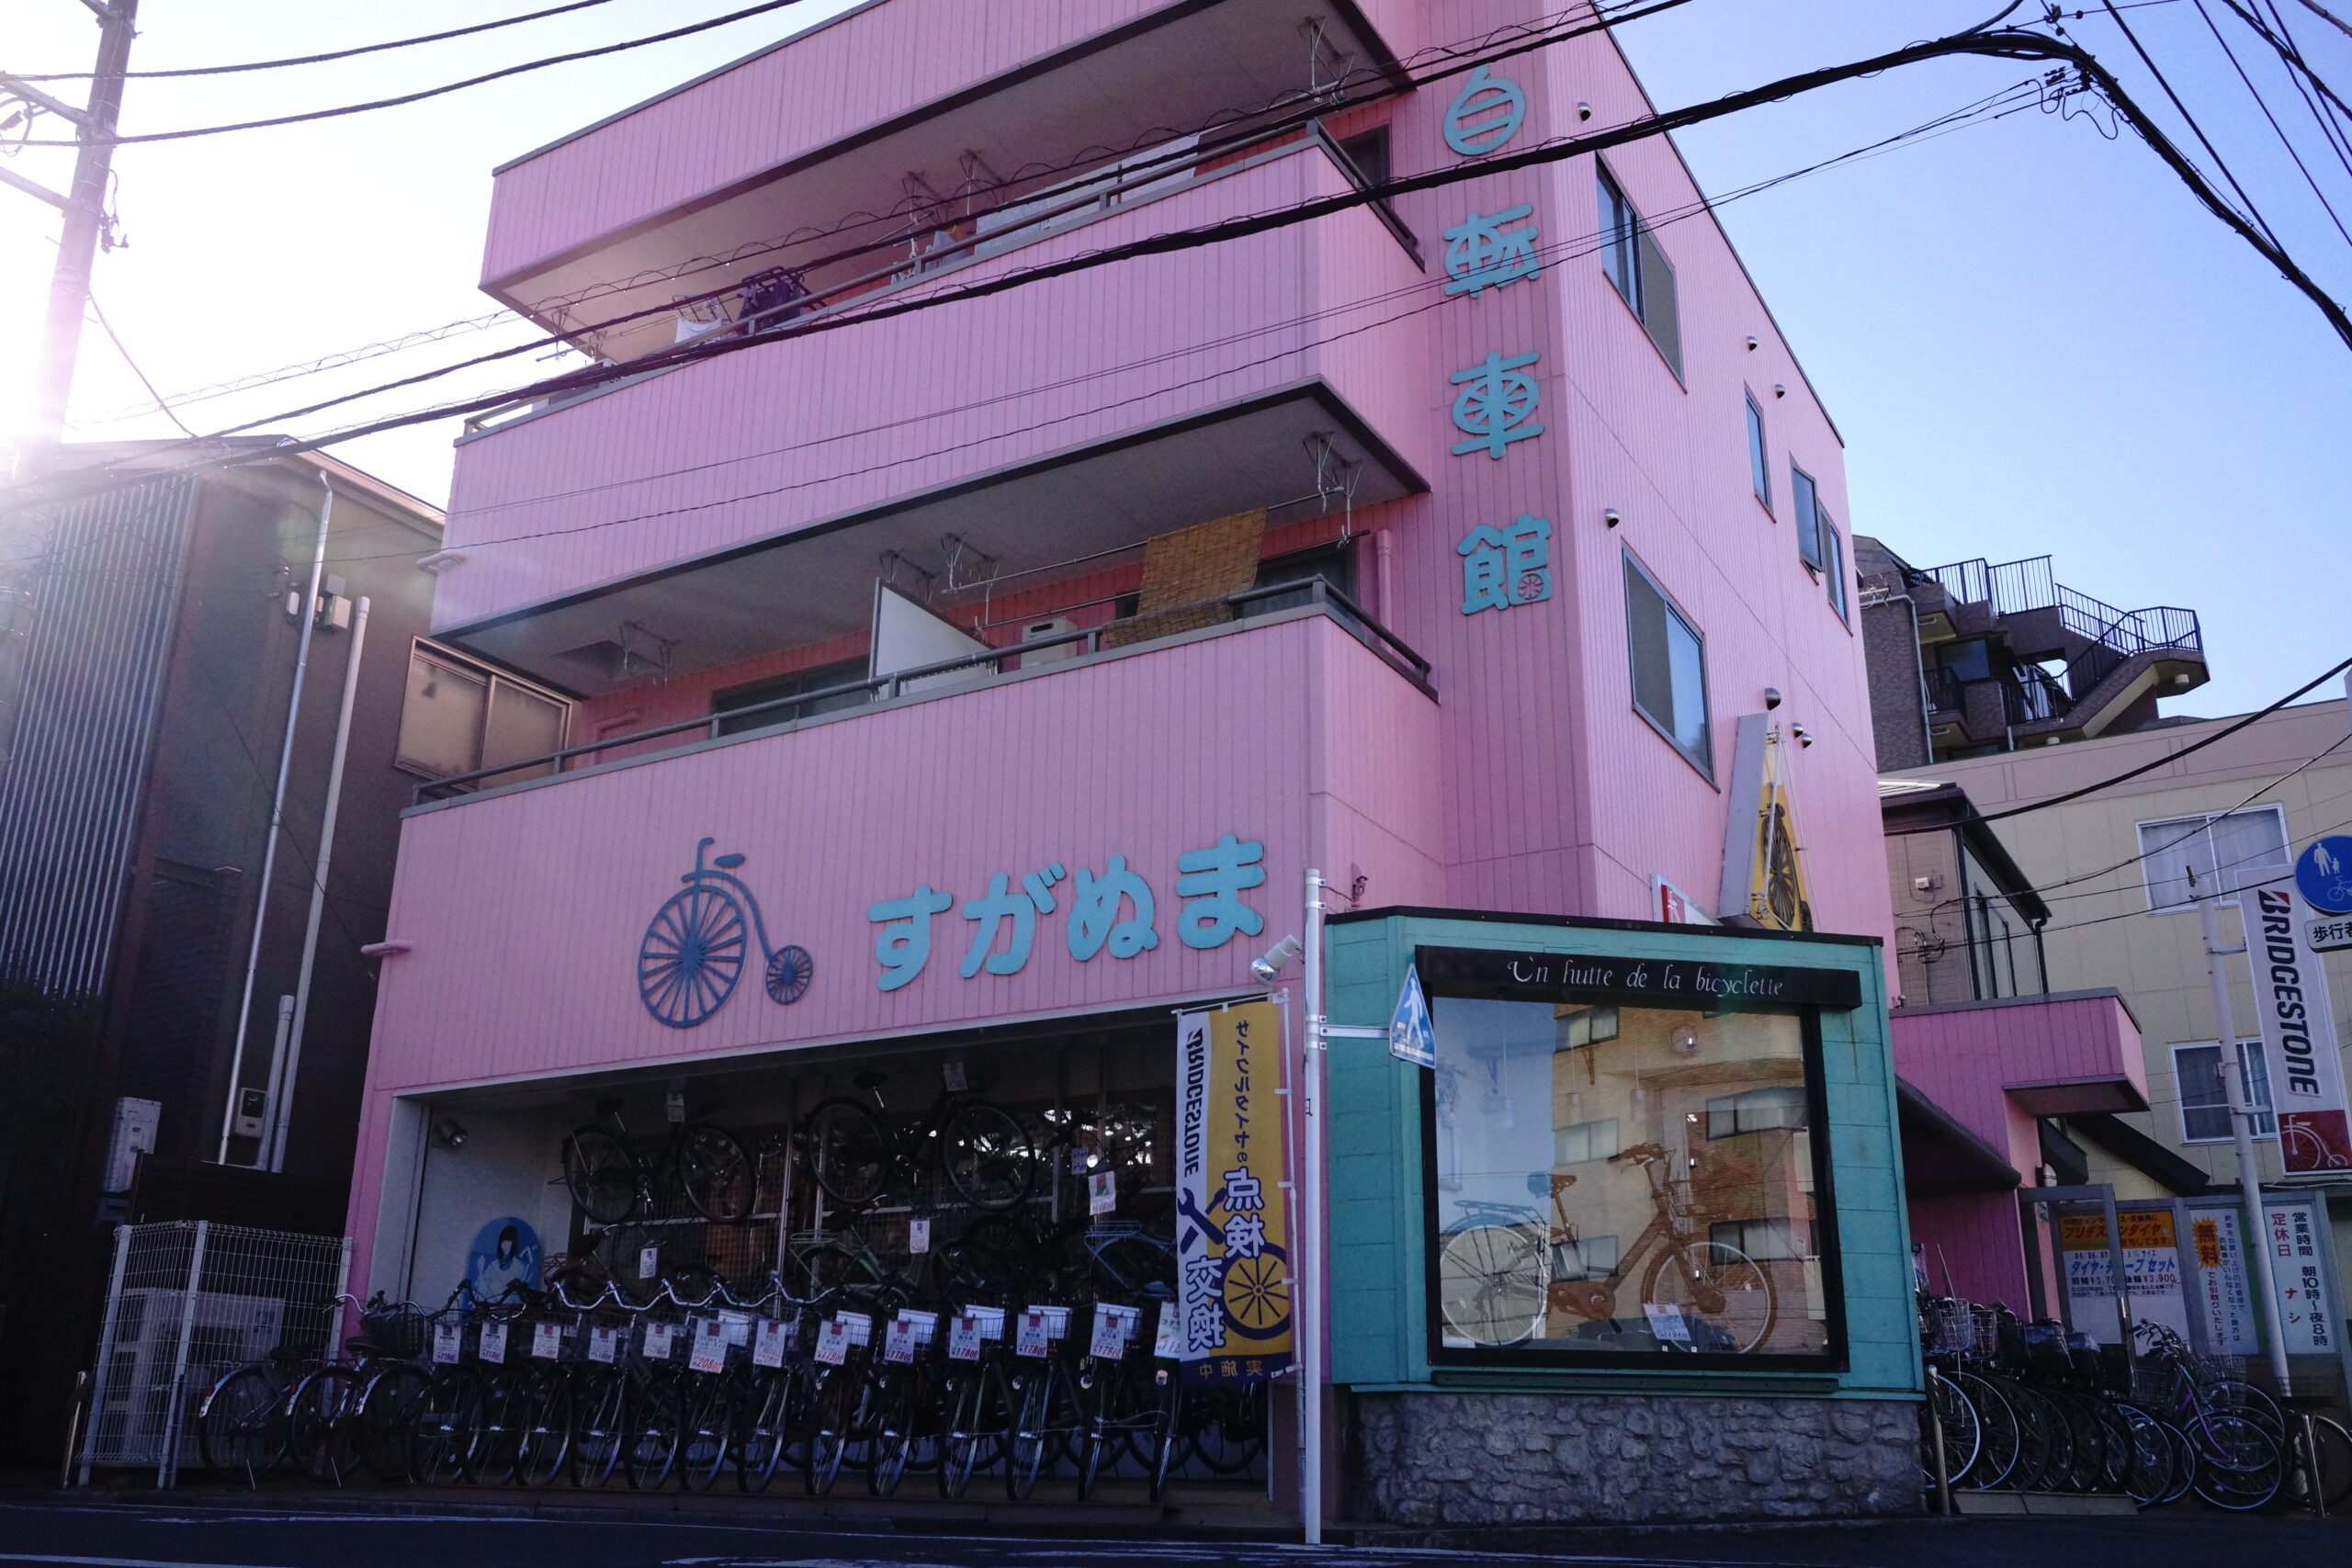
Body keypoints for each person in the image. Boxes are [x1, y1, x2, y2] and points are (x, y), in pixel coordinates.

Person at [471, 1223, 534, 1296]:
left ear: (514, 1243)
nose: (505, 1245)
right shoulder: (493, 1265)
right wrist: (480, 1270)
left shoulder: (520, 1268)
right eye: (503, 1241)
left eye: (509, 1241)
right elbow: (482, 1290)